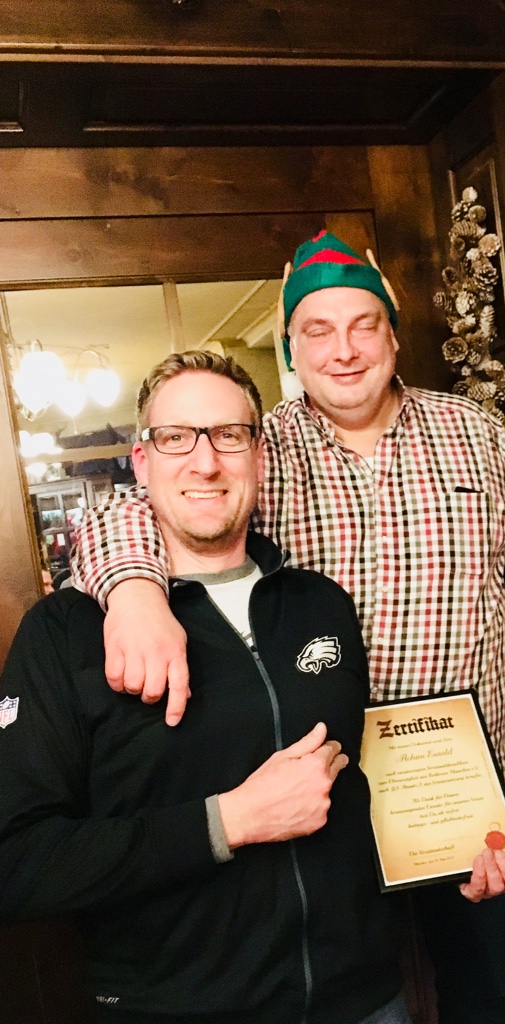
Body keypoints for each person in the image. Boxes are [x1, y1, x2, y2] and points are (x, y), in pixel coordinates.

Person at [71, 232, 505, 1024]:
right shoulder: (256, 447)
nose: (345, 350)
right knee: (358, 995)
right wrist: (132, 592)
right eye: (317, 331)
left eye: (364, 325)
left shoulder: (476, 433)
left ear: (392, 336)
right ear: (291, 348)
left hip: (467, 789)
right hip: (327, 800)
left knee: (482, 990)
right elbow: (128, 508)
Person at [0, 353, 420, 1024]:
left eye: (229, 435)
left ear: (259, 456)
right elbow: (18, 864)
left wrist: (458, 848)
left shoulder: (320, 603)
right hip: (178, 1009)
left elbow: (362, 785)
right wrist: (229, 822)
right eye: (176, 437)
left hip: (364, 1000)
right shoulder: (66, 633)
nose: (205, 462)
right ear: (141, 462)